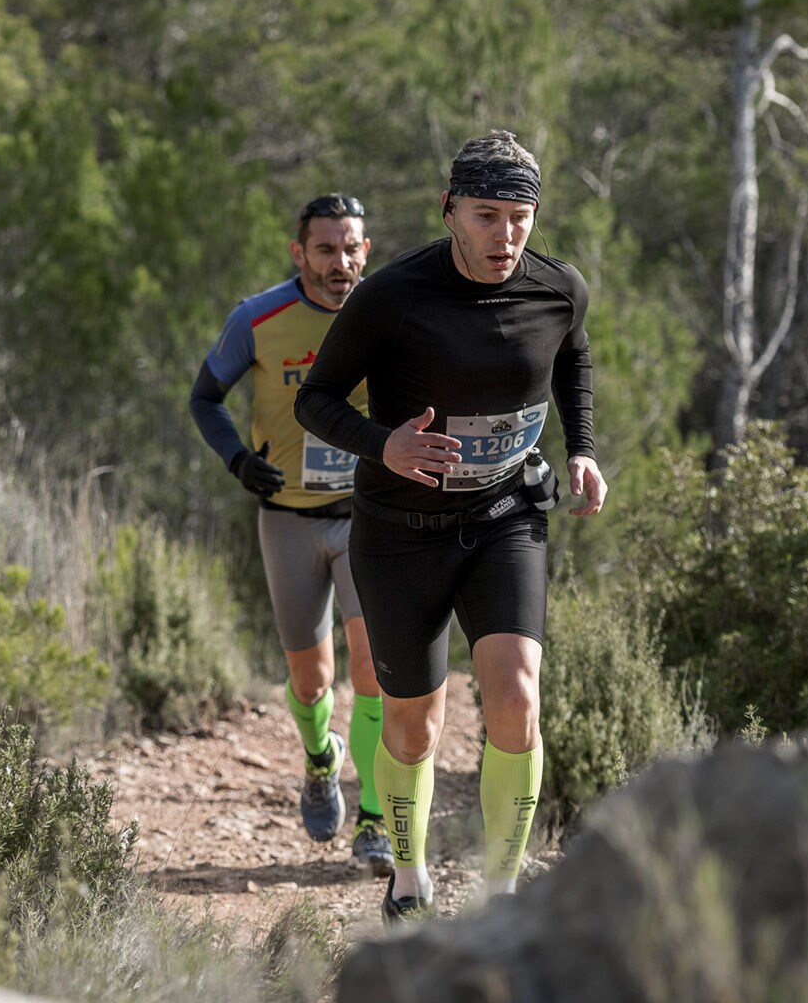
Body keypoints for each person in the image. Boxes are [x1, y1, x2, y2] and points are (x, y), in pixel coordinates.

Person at [295, 132, 607, 923]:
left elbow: (573, 359)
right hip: (401, 530)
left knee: (516, 697)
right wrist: (385, 444)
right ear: (451, 211)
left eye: (520, 217)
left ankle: (503, 896)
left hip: (505, 514)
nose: (505, 236)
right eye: (487, 216)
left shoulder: (557, 287)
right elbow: (317, 398)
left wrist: (583, 450)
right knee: (413, 724)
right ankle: (409, 876)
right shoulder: (394, 295)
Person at [190, 194, 394, 875]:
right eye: (327, 249)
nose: (342, 262)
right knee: (312, 680)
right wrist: (238, 459)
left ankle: (373, 816)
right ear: (299, 252)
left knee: (372, 670)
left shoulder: (389, 313)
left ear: (368, 249)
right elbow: (204, 397)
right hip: (288, 520)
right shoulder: (257, 318)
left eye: (353, 247)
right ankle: (320, 758)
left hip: (367, 515)